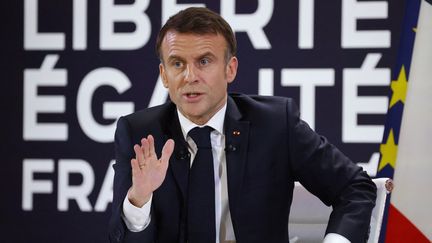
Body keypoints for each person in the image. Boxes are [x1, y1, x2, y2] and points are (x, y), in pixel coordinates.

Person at [109, 7, 377, 243]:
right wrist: (138, 200)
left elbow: (355, 187)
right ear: (164, 75)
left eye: (204, 61)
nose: (190, 77)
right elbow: (120, 237)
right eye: (177, 64)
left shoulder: (274, 125)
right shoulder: (140, 134)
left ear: (230, 69)